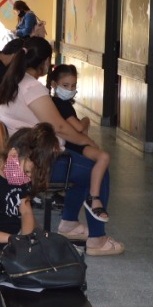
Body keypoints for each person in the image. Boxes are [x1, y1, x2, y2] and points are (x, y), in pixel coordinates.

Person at [0, 38, 125, 256]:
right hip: (38, 163)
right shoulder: (32, 88)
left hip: (24, 157)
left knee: (84, 167)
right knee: (97, 170)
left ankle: (70, 224)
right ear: (45, 62)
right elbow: (60, 127)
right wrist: (87, 141)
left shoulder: (13, 82)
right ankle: (97, 239)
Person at [0, 124, 61, 253]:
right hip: (3, 246)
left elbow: (26, 212)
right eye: (27, 171)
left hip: (19, 240)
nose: (28, 179)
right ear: (13, 155)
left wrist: (26, 240)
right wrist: (13, 239)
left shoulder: (18, 178)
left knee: (58, 252)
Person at [48, 64, 111, 222]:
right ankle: (94, 197)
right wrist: (86, 120)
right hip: (73, 144)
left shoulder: (53, 102)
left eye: (73, 85)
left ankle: (72, 218)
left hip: (71, 144)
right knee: (103, 158)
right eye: (65, 85)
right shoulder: (61, 104)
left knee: (99, 160)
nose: (70, 89)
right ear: (54, 84)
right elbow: (78, 127)